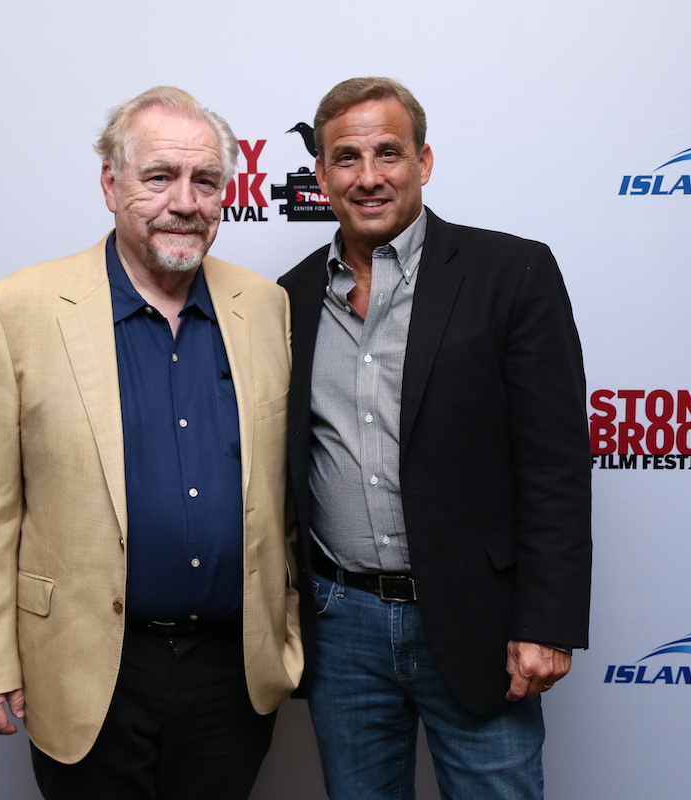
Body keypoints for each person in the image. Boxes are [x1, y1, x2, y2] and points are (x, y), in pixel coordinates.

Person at [0, 86, 302, 800]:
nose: (186, 201)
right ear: (111, 185)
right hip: (88, 663)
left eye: (206, 181)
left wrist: (287, 631)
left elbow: (287, 494)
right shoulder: (16, 309)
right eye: (159, 176)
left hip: (232, 669)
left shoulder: (265, 306)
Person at [278, 77, 592, 799]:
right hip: (341, 625)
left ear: (424, 161)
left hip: (477, 618)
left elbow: (555, 465)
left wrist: (546, 620)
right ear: (321, 175)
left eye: (388, 152)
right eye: (346, 157)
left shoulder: (511, 274)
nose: (369, 176)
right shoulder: (285, 300)